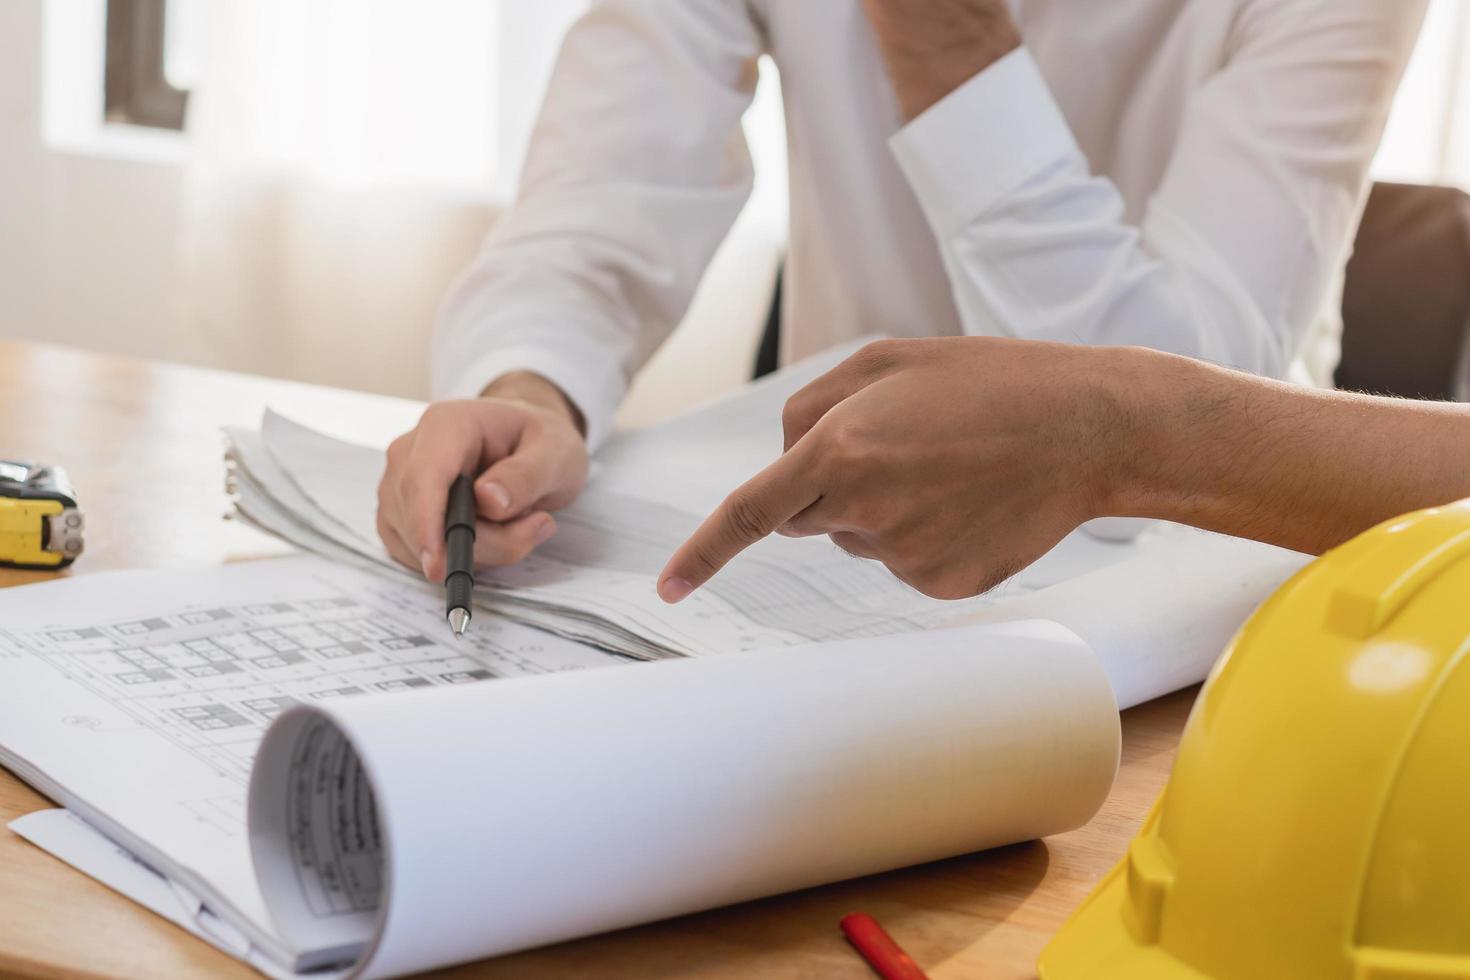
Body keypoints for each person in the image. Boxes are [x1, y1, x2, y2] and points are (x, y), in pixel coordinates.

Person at [376, 0, 1425, 583]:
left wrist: (950, 44)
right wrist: (528, 390)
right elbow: (596, 205)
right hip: (842, 579)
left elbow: (1175, 440)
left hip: (1191, 606)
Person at [657, 337, 1470, 601]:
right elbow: (613, 165)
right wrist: (543, 385)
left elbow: (1207, 334)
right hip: (844, 606)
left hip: (1216, 616)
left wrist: (1110, 426)